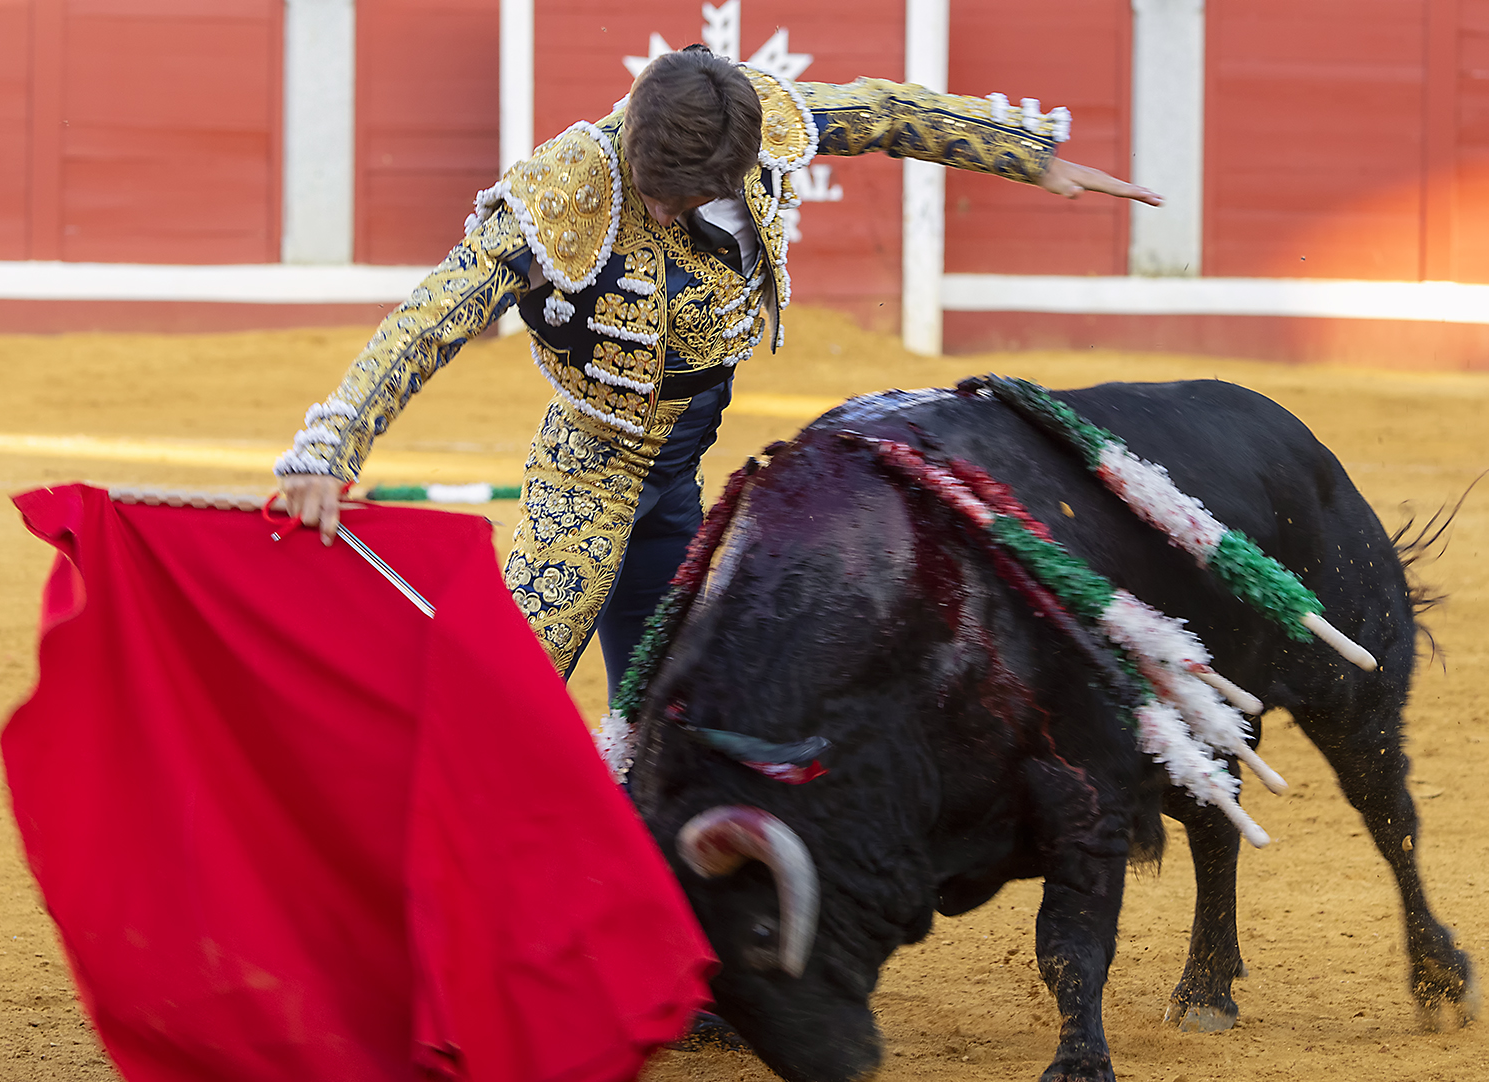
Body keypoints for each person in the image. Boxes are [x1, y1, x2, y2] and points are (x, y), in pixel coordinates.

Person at [277, 46, 1160, 691]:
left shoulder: (761, 120)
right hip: (592, 464)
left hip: (685, 457)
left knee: (667, 696)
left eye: (689, 194)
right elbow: (436, 312)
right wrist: (331, 446)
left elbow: (889, 112)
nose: (666, 207)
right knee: (510, 690)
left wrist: (1030, 157)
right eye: (658, 188)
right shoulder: (568, 186)